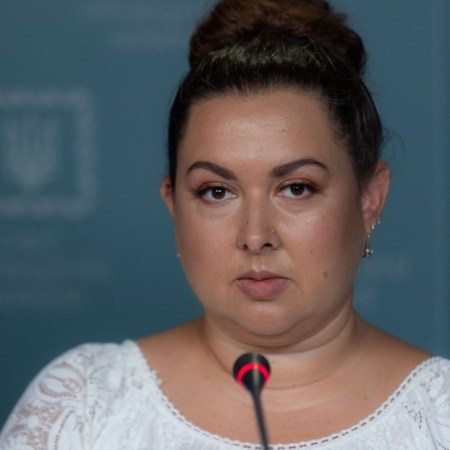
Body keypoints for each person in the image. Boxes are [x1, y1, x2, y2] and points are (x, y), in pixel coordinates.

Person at [1, 0, 449, 448]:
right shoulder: (82, 405)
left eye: (296, 188)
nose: (255, 236)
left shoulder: (438, 416)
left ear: (369, 199)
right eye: (217, 192)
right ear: (173, 203)